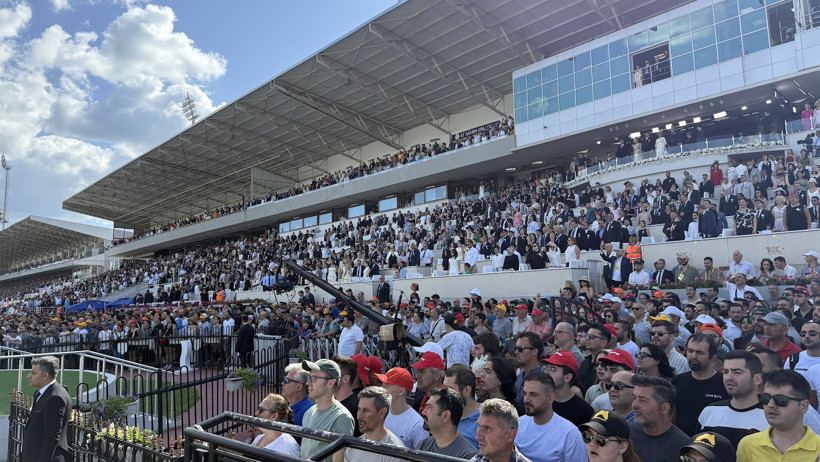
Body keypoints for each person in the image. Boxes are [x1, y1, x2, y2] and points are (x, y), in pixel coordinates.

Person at [736, 370, 820, 461]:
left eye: (780, 400)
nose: (770, 405)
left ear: (803, 406)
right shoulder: (748, 445)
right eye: (765, 398)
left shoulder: (817, 448)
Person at [697, 350, 767, 448]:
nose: (728, 377)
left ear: (757, 379)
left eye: (737, 372)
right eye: (725, 372)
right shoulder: (710, 412)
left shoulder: (770, 416)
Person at [514, 372, 587, 462]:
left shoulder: (570, 434)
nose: (526, 399)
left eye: (533, 394)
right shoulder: (518, 424)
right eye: (525, 393)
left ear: (550, 398)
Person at [671, 334, 728, 436]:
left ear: (713, 357)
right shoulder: (677, 381)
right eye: (690, 351)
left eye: (699, 352)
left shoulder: (724, 383)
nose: (693, 356)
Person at [300, 359, 355, 462]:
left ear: (330, 383)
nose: (308, 383)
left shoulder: (342, 417)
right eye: (309, 378)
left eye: (314, 378)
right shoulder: (309, 412)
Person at [22, 356, 73, 462]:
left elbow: (52, 437)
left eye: (33, 373)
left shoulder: (56, 397)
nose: (29, 376)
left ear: (45, 375)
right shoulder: (41, 393)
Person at [629, 375, 689, 462]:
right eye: (634, 398)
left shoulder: (684, 448)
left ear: (665, 408)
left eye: (643, 400)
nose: (634, 405)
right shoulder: (627, 434)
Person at [342, 386, 405, 462]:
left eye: (366, 410)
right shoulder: (352, 447)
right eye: (359, 409)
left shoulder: (396, 452)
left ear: (382, 413)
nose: (359, 416)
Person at [417, 387, 478, 458]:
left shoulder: (467, 456)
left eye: (429, 407)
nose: (423, 412)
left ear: (445, 416)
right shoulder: (423, 445)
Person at [376, 367, 428, 449]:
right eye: (383, 384)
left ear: (401, 391)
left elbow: (423, 454)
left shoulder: (417, 425)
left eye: (387, 385)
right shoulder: (380, 414)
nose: (382, 388)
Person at [542, 350, 595, 426]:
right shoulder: (542, 403)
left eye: (553, 369)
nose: (546, 372)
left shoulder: (584, 411)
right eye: (546, 367)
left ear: (567, 377)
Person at [443, 365, 481, 449]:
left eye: (449, 389)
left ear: (466, 390)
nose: (444, 394)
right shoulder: (444, 414)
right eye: (444, 388)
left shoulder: (484, 420)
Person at [252, 393, 301, 458]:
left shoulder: (288, 448)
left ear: (274, 415)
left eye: (261, 409)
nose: (256, 413)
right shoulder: (259, 438)